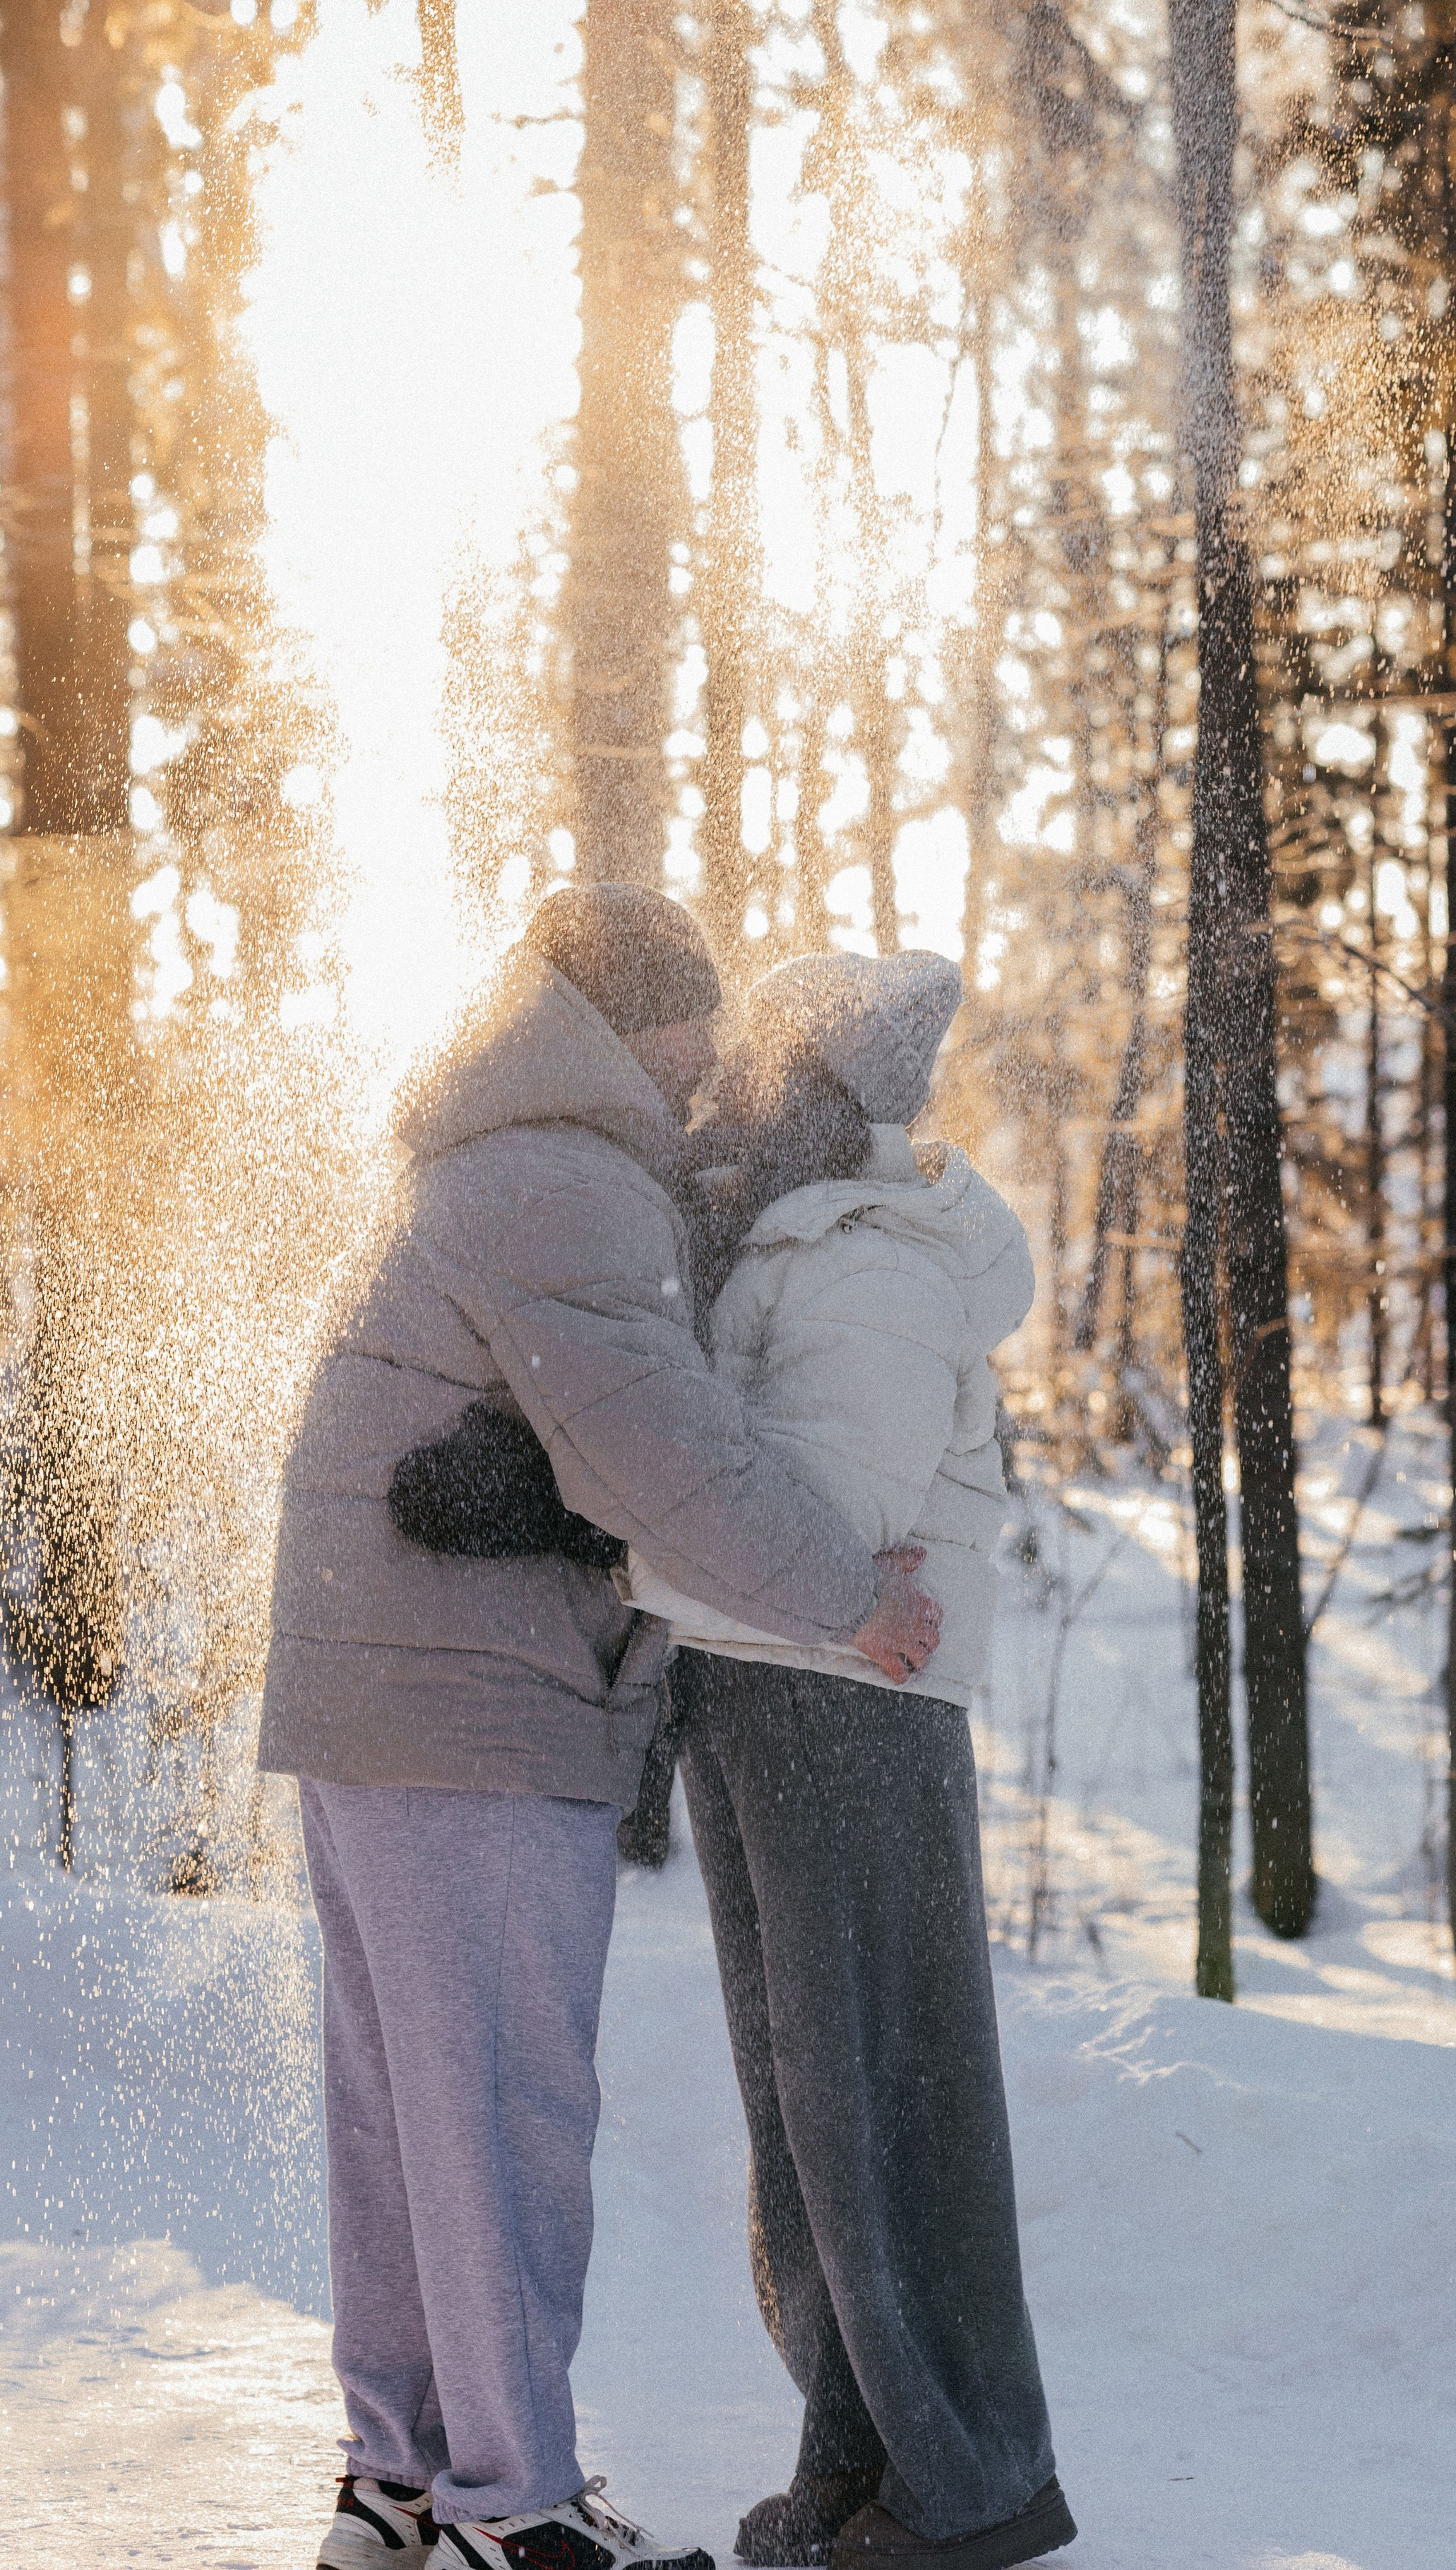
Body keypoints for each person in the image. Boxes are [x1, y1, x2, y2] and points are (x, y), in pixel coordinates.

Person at [256, 885, 942, 2570]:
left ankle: (401, 2482)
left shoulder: (488, 1155)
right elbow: (667, 1457)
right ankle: (515, 2507)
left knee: (407, 2110)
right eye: (703, 1021)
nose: (720, 1064)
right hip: (468, 1708)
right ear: (650, 1020)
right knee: (497, 2109)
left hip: (374, 1696)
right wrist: (847, 1589)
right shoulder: (565, 1176)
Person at [624, 950, 1075, 2570]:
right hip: (767, 1703)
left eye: (754, 1057)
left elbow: (824, 1534)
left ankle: (969, 2483)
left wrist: (612, 1552)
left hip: (849, 1715)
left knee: (887, 2107)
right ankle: (857, 2441)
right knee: (807, 2116)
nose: (722, 1080)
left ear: (813, 1081)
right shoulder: (786, 1232)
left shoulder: (870, 1257)